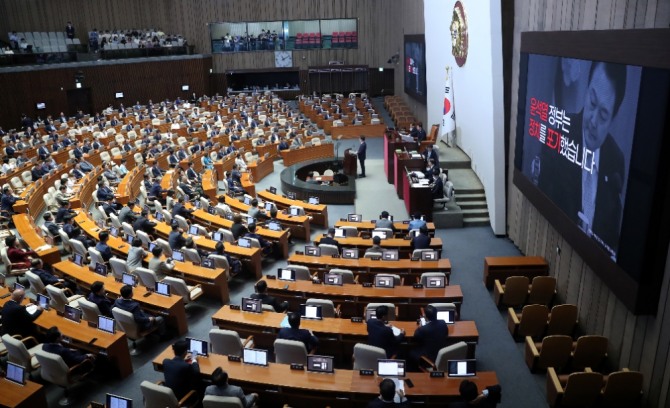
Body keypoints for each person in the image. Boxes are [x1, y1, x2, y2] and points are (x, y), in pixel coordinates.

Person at [538, 61, 627, 255]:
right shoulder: (557, 137)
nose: (593, 121)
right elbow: (543, 207)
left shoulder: (616, 160)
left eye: (603, 115)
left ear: (613, 117)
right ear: (586, 92)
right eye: (592, 103)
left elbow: (611, 235)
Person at [410, 305, 448, 370]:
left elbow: (415, 337)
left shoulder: (423, 329)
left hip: (430, 358)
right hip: (442, 353)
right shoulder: (443, 323)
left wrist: (420, 326)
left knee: (410, 352)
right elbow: (446, 333)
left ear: (426, 317)